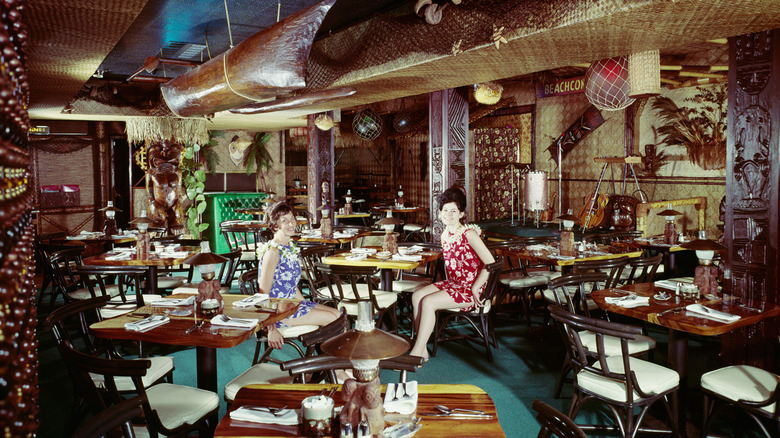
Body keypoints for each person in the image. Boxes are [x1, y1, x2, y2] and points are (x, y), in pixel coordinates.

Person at [408, 186, 495, 360]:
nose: (448, 214)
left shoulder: (469, 234)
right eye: (445, 210)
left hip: (472, 290)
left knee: (429, 302)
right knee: (417, 296)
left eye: (453, 210)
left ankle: (416, 353)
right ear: (440, 214)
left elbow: (491, 263)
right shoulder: (445, 235)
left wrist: (477, 286)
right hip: (454, 284)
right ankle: (422, 347)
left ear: (462, 214)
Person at [258, 200, 342, 349]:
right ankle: (338, 370)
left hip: (292, 304)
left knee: (338, 315)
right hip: (278, 312)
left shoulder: (288, 247)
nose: (291, 223)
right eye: (284, 220)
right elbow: (263, 293)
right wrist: (271, 329)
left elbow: (290, 285)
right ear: (275, 225)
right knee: (331, 319)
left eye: (292, 218)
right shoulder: (273, 252)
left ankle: (336, 366)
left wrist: (307, 305)